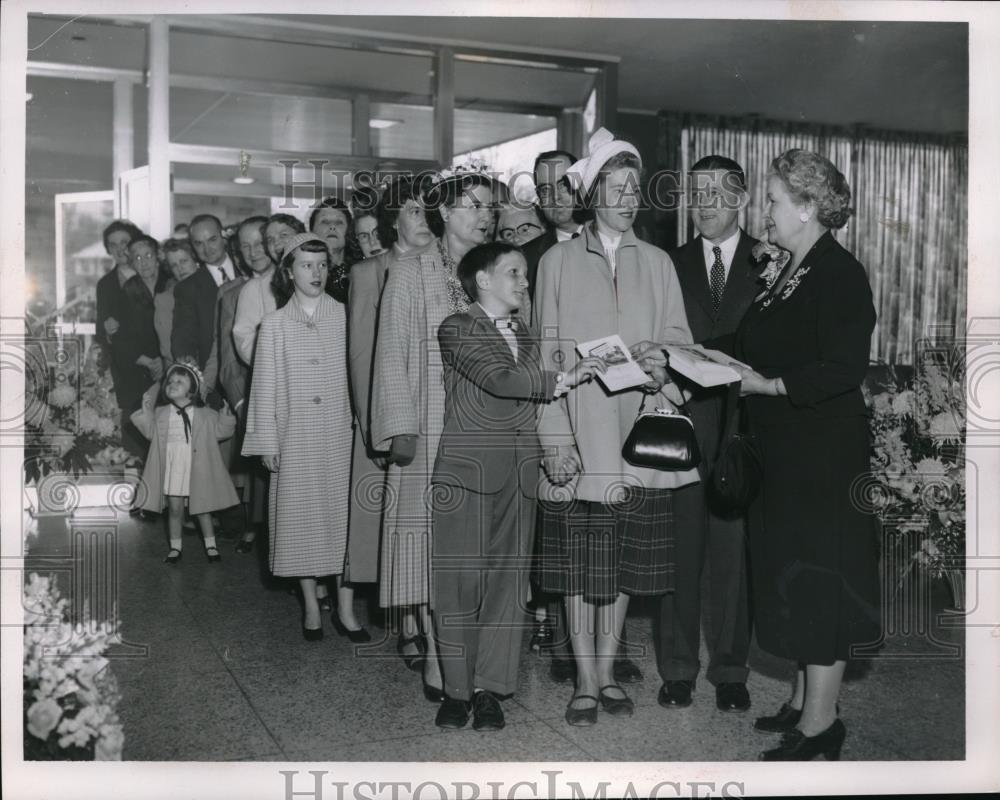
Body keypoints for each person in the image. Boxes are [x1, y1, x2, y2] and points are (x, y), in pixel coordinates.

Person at [532, 128, 698, 727]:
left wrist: (663, 366)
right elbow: (544, 356)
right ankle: (582, 675)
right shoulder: (554, 262)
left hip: (636, 436)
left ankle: (605, 668)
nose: (630, 198)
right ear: (593, 193)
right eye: (619, 187)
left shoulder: (656, 262)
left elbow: (680, 343)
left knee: (624, 561)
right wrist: (553, 439)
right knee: (579, 564)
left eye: (636, 188)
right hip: (580, 437)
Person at [432, 241, 605, 732]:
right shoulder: (456, 328)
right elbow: (502, 379)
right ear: (482, 279)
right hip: (467, 473)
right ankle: (456, 690)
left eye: (525, 274)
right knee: (459, 583)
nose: (524, 282)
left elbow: (529, 389)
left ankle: (491, 689)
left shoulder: (527, 335)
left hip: (518, 472)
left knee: (509, 586)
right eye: (513, 273)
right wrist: (565, 378)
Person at [370, 161, 500, 702]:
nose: (484, 216)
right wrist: (399, 429)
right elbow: (392, 352)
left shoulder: (497, 268)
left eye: (489, 206)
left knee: (475, 546)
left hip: (484, 426)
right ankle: (431, 649)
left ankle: (473, 653)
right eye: (472, 205)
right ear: (444, 211)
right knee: (424, 540)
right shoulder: (414, 269)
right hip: (428, 424)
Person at [653, 155, 761, 715]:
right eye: (698, 192)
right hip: (683, 421)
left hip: (745, 429)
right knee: (681, 549)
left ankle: (730, 669)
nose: (708, 201)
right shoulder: (668, 263)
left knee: (733, 551)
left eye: (721, 191)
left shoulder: (772, 263)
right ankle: (676, 668)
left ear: (742, 198)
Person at [242, 233, 354, 641]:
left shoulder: (345, 315)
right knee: (299, 519)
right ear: (289, 272)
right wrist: (267, 443)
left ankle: (344, 607)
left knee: (342, 521)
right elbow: (265, 387)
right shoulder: (273, 325)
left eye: (322, 265)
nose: (316, 273)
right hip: (295, 436)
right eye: (306, 265)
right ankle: (310, 604)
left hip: (341, 434)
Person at [345, 176, 436, 650]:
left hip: (436, 417)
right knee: (396, 524)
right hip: (390, 417)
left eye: (428, 211)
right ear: (393, 220)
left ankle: (430, 623)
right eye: (415, 211)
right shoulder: (370, 273)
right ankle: (407, 624)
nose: (425, 219)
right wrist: (373, 429)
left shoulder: (445, 266)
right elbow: (362, 355)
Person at [131, 360, 238, 564]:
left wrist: (226, 417)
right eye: (170, 381)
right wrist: (146, 413)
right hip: (173, 467)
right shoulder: (162, 413)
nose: (172, 383)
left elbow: (221, 433)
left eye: (180, 381)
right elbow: (151, 433)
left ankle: (211, 545)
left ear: (193, 390)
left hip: (196, 467)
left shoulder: (206, 414)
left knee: (203, 509)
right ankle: (175, 547)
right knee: (175, 509)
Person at [95, 219, 145, 461]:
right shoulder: (105, 284)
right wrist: (105, 328)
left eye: (124, 242)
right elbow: (99, 328)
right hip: (127, 369)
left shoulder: (152, 272)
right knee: (133, 435)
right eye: (113, 245)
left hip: (158, 365)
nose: (119, 249)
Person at [232, 213, 305, 366]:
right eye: (270, 240)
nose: (277, 243)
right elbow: (245, 343)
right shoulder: (255, 288)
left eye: (283, 235)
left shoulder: (319, 276)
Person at [115, 236, 169, 435]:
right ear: (131, 263)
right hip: (142, 369)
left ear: (158, 257)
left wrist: (165, 360)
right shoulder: (129, 290)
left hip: (172, 364)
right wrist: (149, 362)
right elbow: (121, 338)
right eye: (137, 258)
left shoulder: (172, 283)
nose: (144, 262)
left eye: (148, 255)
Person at [522, 150, 582, 299]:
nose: (555, 196)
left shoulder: (614, 239)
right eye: (545, 189)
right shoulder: (526, 259)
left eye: (563, 185)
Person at [310, 197, 354, 304]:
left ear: (349, 230)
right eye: (324, 222)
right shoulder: (301, 273)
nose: (332, 226)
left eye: (339, 222)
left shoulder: (359, 272)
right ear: (311, 231)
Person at [189, 214, 237, 286]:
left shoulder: (247, 269)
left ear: (224, 237)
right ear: (193, 246)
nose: (207, 249)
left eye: (212, 240)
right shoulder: (187, 288)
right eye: (199, 243)